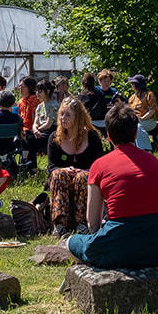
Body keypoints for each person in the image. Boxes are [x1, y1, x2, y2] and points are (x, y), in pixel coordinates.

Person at [66, 100, 158, 269]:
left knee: (72, 241)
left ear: (109, 137)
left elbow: (93, 223)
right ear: (135, 134)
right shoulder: (154, 162)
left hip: (119, 241)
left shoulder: (100, 165)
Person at [45, 96, 106, 234]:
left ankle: (82, 223)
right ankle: (59, 225)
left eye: (68, 115)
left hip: (85, 178)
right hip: (62, 178)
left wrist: (82, 171)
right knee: (58, 174)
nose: (63, 118)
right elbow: (51, 167)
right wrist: (65, 169)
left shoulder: (92, 137)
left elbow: (98, 166)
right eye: (61, 114)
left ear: (77, 117)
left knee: (83, 177)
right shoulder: (54, 138)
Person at [126, 74, 158, 150]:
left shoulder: (149, 95)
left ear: (137, 85)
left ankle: (145, 149)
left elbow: (152, 111)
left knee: (138, 127)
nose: (131, 85)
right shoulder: (132, 98)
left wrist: (142, 118)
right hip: (135, 120)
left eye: (132, 83)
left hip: (149, 120)